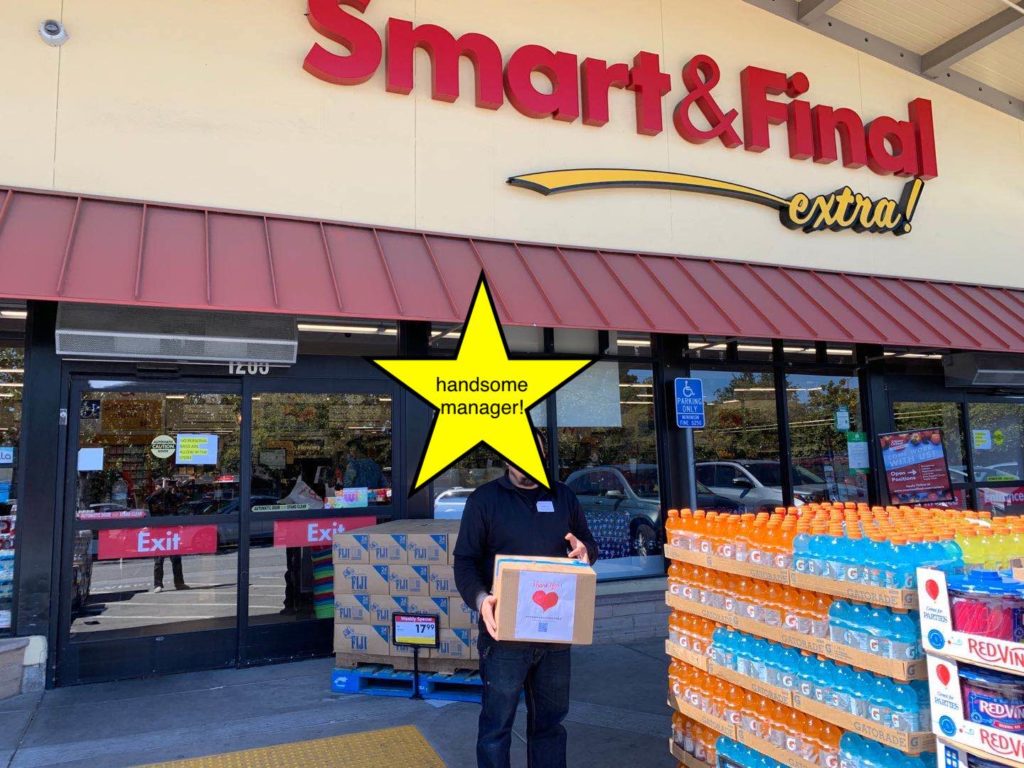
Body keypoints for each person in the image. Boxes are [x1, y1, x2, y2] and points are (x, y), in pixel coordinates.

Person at [453, 431, 598, 768]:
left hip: (555, 635)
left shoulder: (563, 496)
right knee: (496, 728)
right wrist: (480, 599)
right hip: (504, 637)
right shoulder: (484, 501)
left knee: (550, 726)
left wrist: (585, 552)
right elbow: (465, 562)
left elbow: (588, 544)